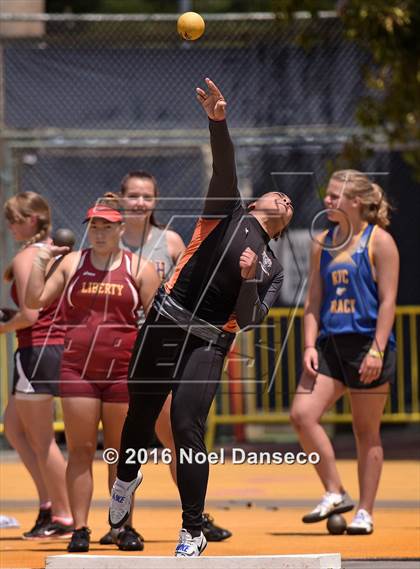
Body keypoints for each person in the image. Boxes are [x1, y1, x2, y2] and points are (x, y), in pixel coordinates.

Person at [108, 78, 293, 557]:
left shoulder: (274, 266)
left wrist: (251, 279)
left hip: (210, 341)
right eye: (278, 195)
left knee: (189, 428)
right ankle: (127, 476)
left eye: (292, 205)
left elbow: (250, 319)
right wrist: (218, 121)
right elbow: (226, 167)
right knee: (142, 416)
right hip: (168, 320)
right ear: (256, 203)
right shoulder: (226, 213)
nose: (286, 200)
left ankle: (192, 529)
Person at [98, 172, 232, 546]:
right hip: (121, 343)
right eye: (133, 195)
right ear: (121, 198)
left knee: (176, 435)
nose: (140, 202)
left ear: (155, 201)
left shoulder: (170, 241)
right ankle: (122, 524)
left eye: (147, 196)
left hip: (164, 344)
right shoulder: (107, 236)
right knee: (125, 437)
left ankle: (196, 517)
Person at [25, 200, 160, 552]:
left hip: (121, 371)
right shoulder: (72, 263)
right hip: (78, 370)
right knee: (82, 451)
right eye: (94, 227)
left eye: (107, 227)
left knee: (120, 453)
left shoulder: (139, 267)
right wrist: (40, 262)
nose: (99, 233)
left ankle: (122, 526)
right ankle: (81, 527)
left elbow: (158, 325)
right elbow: (35, 299)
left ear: (120, 230)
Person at [290, 170, 399, 535]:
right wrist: (308, 344)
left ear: (356, 202)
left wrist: (377, 350)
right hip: (330, 346)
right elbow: (312, 302)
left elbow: (387, 302)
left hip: (367, 345)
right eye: (328, 194)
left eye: (336, 196)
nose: (328, 201)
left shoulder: (379, 241)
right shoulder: (322, 241)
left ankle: (365, 512)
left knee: (365, 431)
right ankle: (335, 490)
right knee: (303, 414)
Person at [1, 192, 73, 539]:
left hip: (38, 349)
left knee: (43, 440)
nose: (10, 226)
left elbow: (30, 315)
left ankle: (63, 515)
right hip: (46, 349)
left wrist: (2, 324)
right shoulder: (50, 252)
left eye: (14, 219)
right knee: (14, 428)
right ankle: (48, 504)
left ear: (31, 219)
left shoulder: (30, 256)